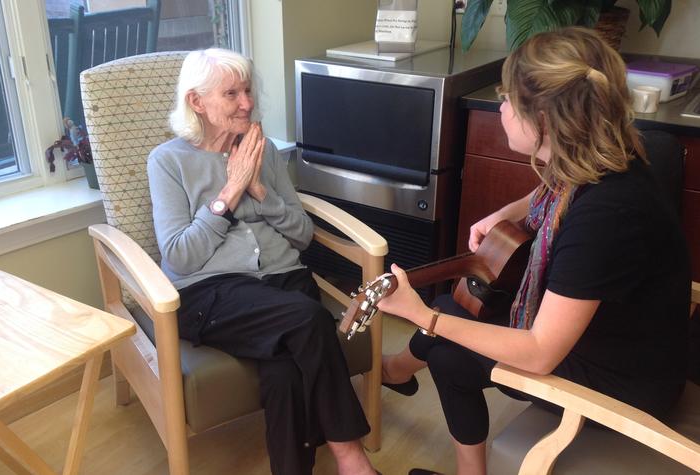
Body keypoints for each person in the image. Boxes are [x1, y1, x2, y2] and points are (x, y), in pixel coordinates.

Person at [378, 27, 690, 475]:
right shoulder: (607, 154)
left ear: (543, 121)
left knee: (446, 342)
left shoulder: (605, 216)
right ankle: (398, 372)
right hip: (625, 340)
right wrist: (506, 211)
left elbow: (541, 350)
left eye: (508, 99)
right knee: (457, 310)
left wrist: (419, 313)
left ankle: (408, 385)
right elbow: (555, 187)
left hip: (627, 384)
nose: (501, 107)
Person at [147, 48, 377, 475]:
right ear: (197, 102)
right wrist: (229, 192)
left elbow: (302, 235)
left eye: (248, 91)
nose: (247, 103)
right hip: (212, 292)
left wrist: (258, 191)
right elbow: (179, 254)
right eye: (231, 93)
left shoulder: (264, 150)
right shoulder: (167, 161)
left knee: (286, 373)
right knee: (311, 321)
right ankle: (352, 458)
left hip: (285, 279)